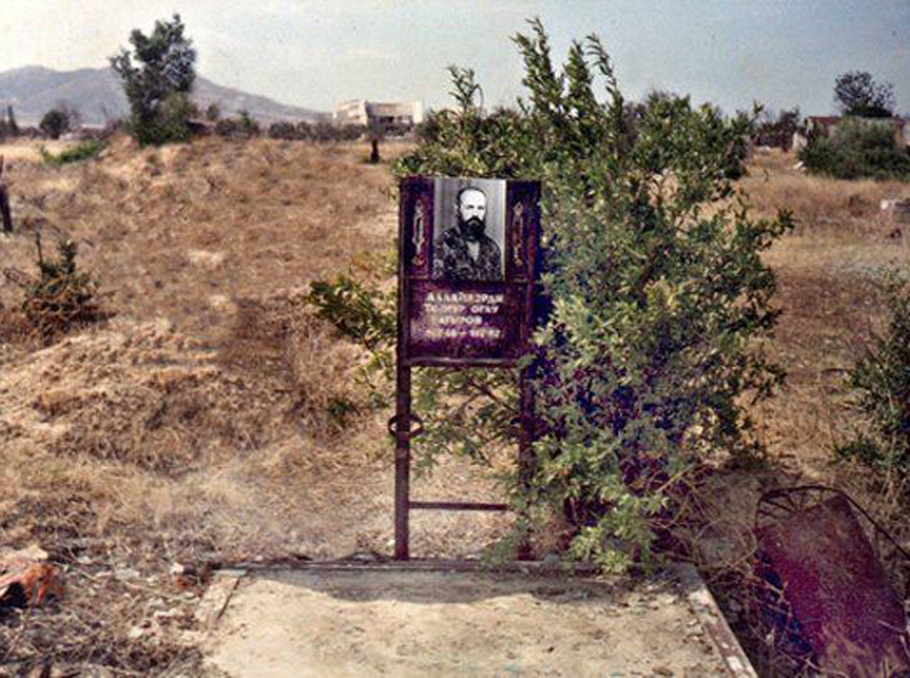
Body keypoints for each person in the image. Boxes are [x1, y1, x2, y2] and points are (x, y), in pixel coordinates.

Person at [433, 186, 502, 281]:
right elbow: (436, 288)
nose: (475, 214)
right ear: (457, 209)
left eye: (480, 208)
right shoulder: (442, 244)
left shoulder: (493, 248)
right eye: (470, 207)